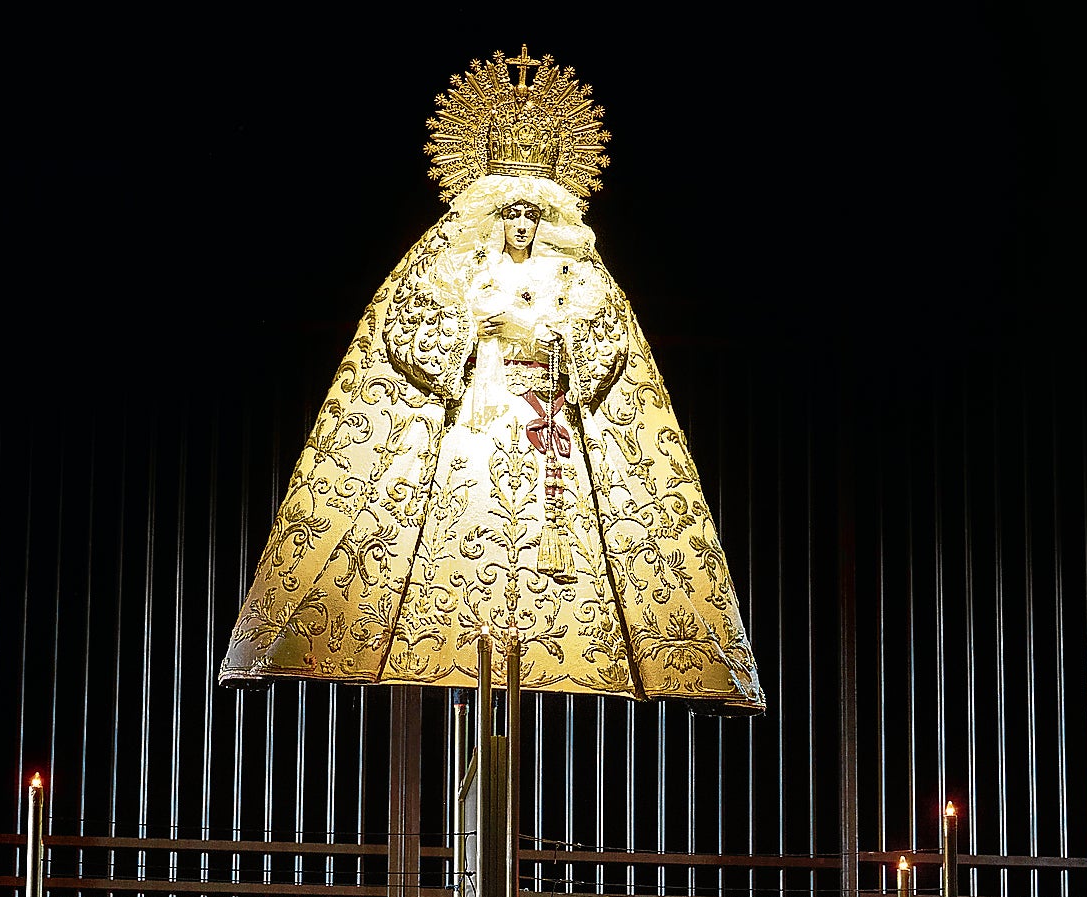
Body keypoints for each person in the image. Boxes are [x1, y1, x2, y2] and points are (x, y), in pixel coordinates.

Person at [218, 46, 763, 712]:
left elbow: (609, 348)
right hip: (471, 430)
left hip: (551, 437)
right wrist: (474, 333)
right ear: (490, 214)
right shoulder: (450, 265)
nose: (522, 226)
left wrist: (560, 343)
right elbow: (410, 330)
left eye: (533, 215)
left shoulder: (578, 277)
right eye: (511, 214)